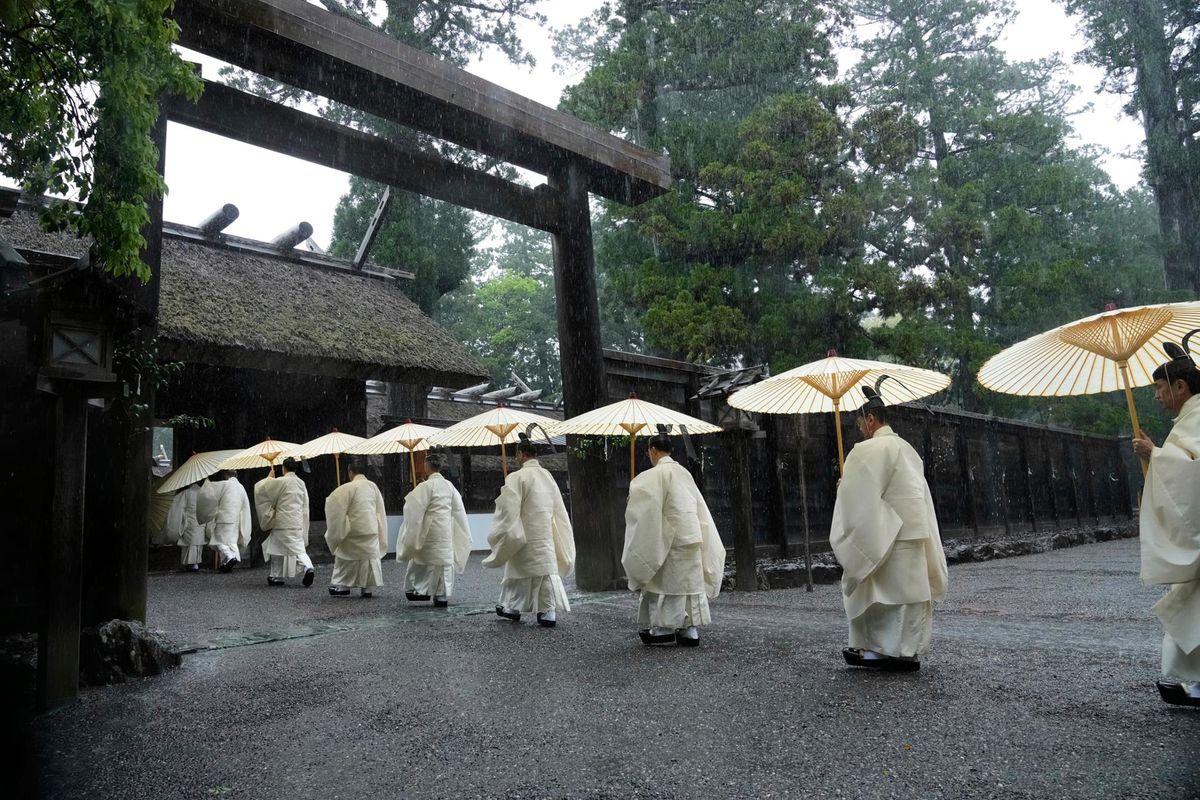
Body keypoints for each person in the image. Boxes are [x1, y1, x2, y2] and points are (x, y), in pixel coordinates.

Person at [830, 381, 948, 671]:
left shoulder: (867, 450)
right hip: (914, 532)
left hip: (889, 535)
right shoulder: (907, 449)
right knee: (906, 598)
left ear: (870, 419)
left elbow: (861, 498)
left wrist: (844, 488)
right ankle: (906, 652)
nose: (860, 430)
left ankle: (877, 652)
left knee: (881, 595)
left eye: (860, 424)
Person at [1132, 334, 1200, 708]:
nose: (1157, 395)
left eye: (1160, 387)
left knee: (1192, 605)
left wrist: (1156, 455)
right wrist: (1156, 456)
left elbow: (1193, 472)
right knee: (1191, 606)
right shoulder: (1189, 418)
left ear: (1180, 385)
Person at [622, 427, 726, 647]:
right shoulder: (684, 473)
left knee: (665, 583)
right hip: (691, 535)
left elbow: (646, 511)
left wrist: (633, 498)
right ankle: (689, 630)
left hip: (668, 539)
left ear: (652, 451)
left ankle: (663, 628)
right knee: (688, 585)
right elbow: (698, 506)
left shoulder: (653, 475)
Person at [483, 433, 575, 627]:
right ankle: (547, 612)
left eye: (517, 455)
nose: (516, 458)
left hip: (524, 532)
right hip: (544, 533)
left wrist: (504, 525)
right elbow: (558, 508)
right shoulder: (547, 476)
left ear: (521, 455)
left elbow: (508, 511)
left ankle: (512, 608)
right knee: (544, 573)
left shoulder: (517, 477)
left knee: (518, 571)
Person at [396, 451, 472, 607]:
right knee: (443, 562)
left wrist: (413, 496)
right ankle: (441, 595)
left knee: (425, 560)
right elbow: (458, 510)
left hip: (429, 530)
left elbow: (413, 511)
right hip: (445, 529)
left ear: (426, 466)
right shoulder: (449, 486)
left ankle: (420, 590)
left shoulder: (426, 486)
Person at [324, 458, 388, 598]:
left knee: (345, 557)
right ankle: (367, 588)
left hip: (353, 529)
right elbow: (379, 509)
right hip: (370, 527)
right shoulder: (373, 486)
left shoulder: (347, 488)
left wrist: (336, 497)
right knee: (367, 559)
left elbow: (336, 508)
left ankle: (343, 586)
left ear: (350, 472)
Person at [254, 457, 314, 588]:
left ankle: (281, 574)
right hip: (297, 522)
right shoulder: (301, 483)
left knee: (277, 549)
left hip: (282, 522)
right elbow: (305, 505)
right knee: (296, 548)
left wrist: (269, 478)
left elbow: (261, 490)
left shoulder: (280, 481)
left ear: (283, 468)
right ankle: (303, 568)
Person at [197, 470, 252, 572]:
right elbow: (245, 506)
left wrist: (206, 479)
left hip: (224, 518)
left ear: (226, 475)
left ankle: (230, 557)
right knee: (231, 542)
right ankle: (226, 563)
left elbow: (210, 492)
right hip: (236, 520)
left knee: (218, 540)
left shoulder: (225, 485)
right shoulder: (241, 487)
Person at [166, 481, 206, 572]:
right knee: (198, 543)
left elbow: (179, 507)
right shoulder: (204, 492)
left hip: (190, 521)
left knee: (190, 543)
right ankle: (196, 563)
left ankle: (190, 564)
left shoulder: (186, 493)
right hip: (201, 521)